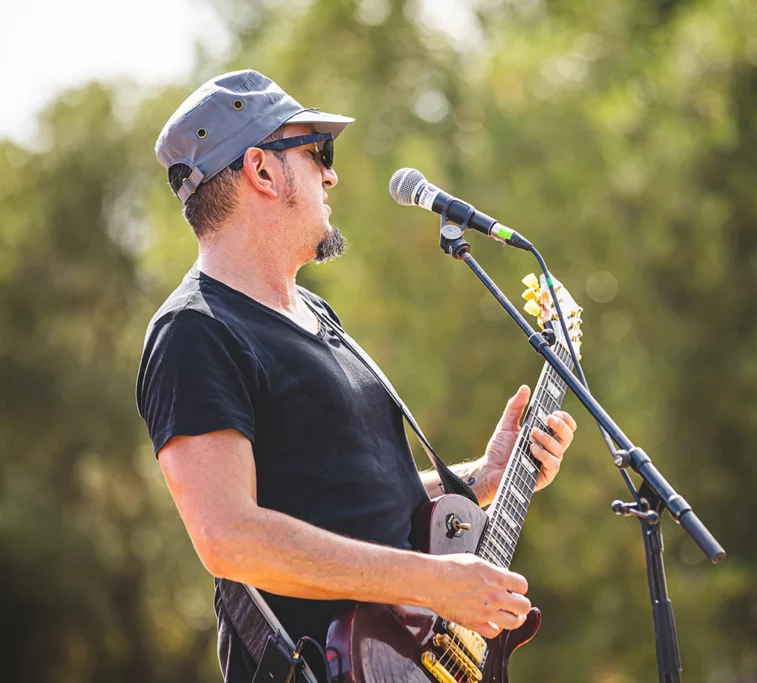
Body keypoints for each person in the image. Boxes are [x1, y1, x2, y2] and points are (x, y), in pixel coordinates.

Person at [135, 70, 577, 682]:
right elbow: (229, 538)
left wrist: (484, 476)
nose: (331, 174)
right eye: (318, 152)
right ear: (261, 170)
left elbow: (348, 500)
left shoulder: (317, 314)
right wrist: (435, 581)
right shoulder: (194, 331)